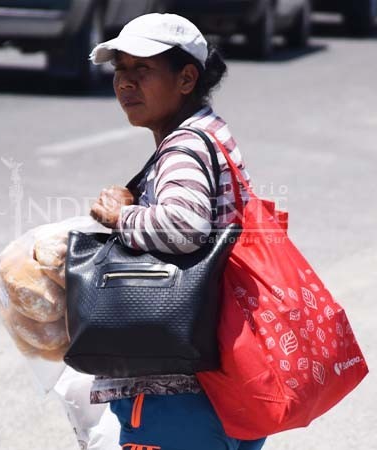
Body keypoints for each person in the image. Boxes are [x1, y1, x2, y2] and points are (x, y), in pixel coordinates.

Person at [86, 13, 265, 450]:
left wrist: (120, 217)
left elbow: (184, 227)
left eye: (142, 69)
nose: (126, 83)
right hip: (228, 377)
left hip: (179, 394)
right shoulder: (211, 131)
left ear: (186, 78)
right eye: (120, 70)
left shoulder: (183, 147)